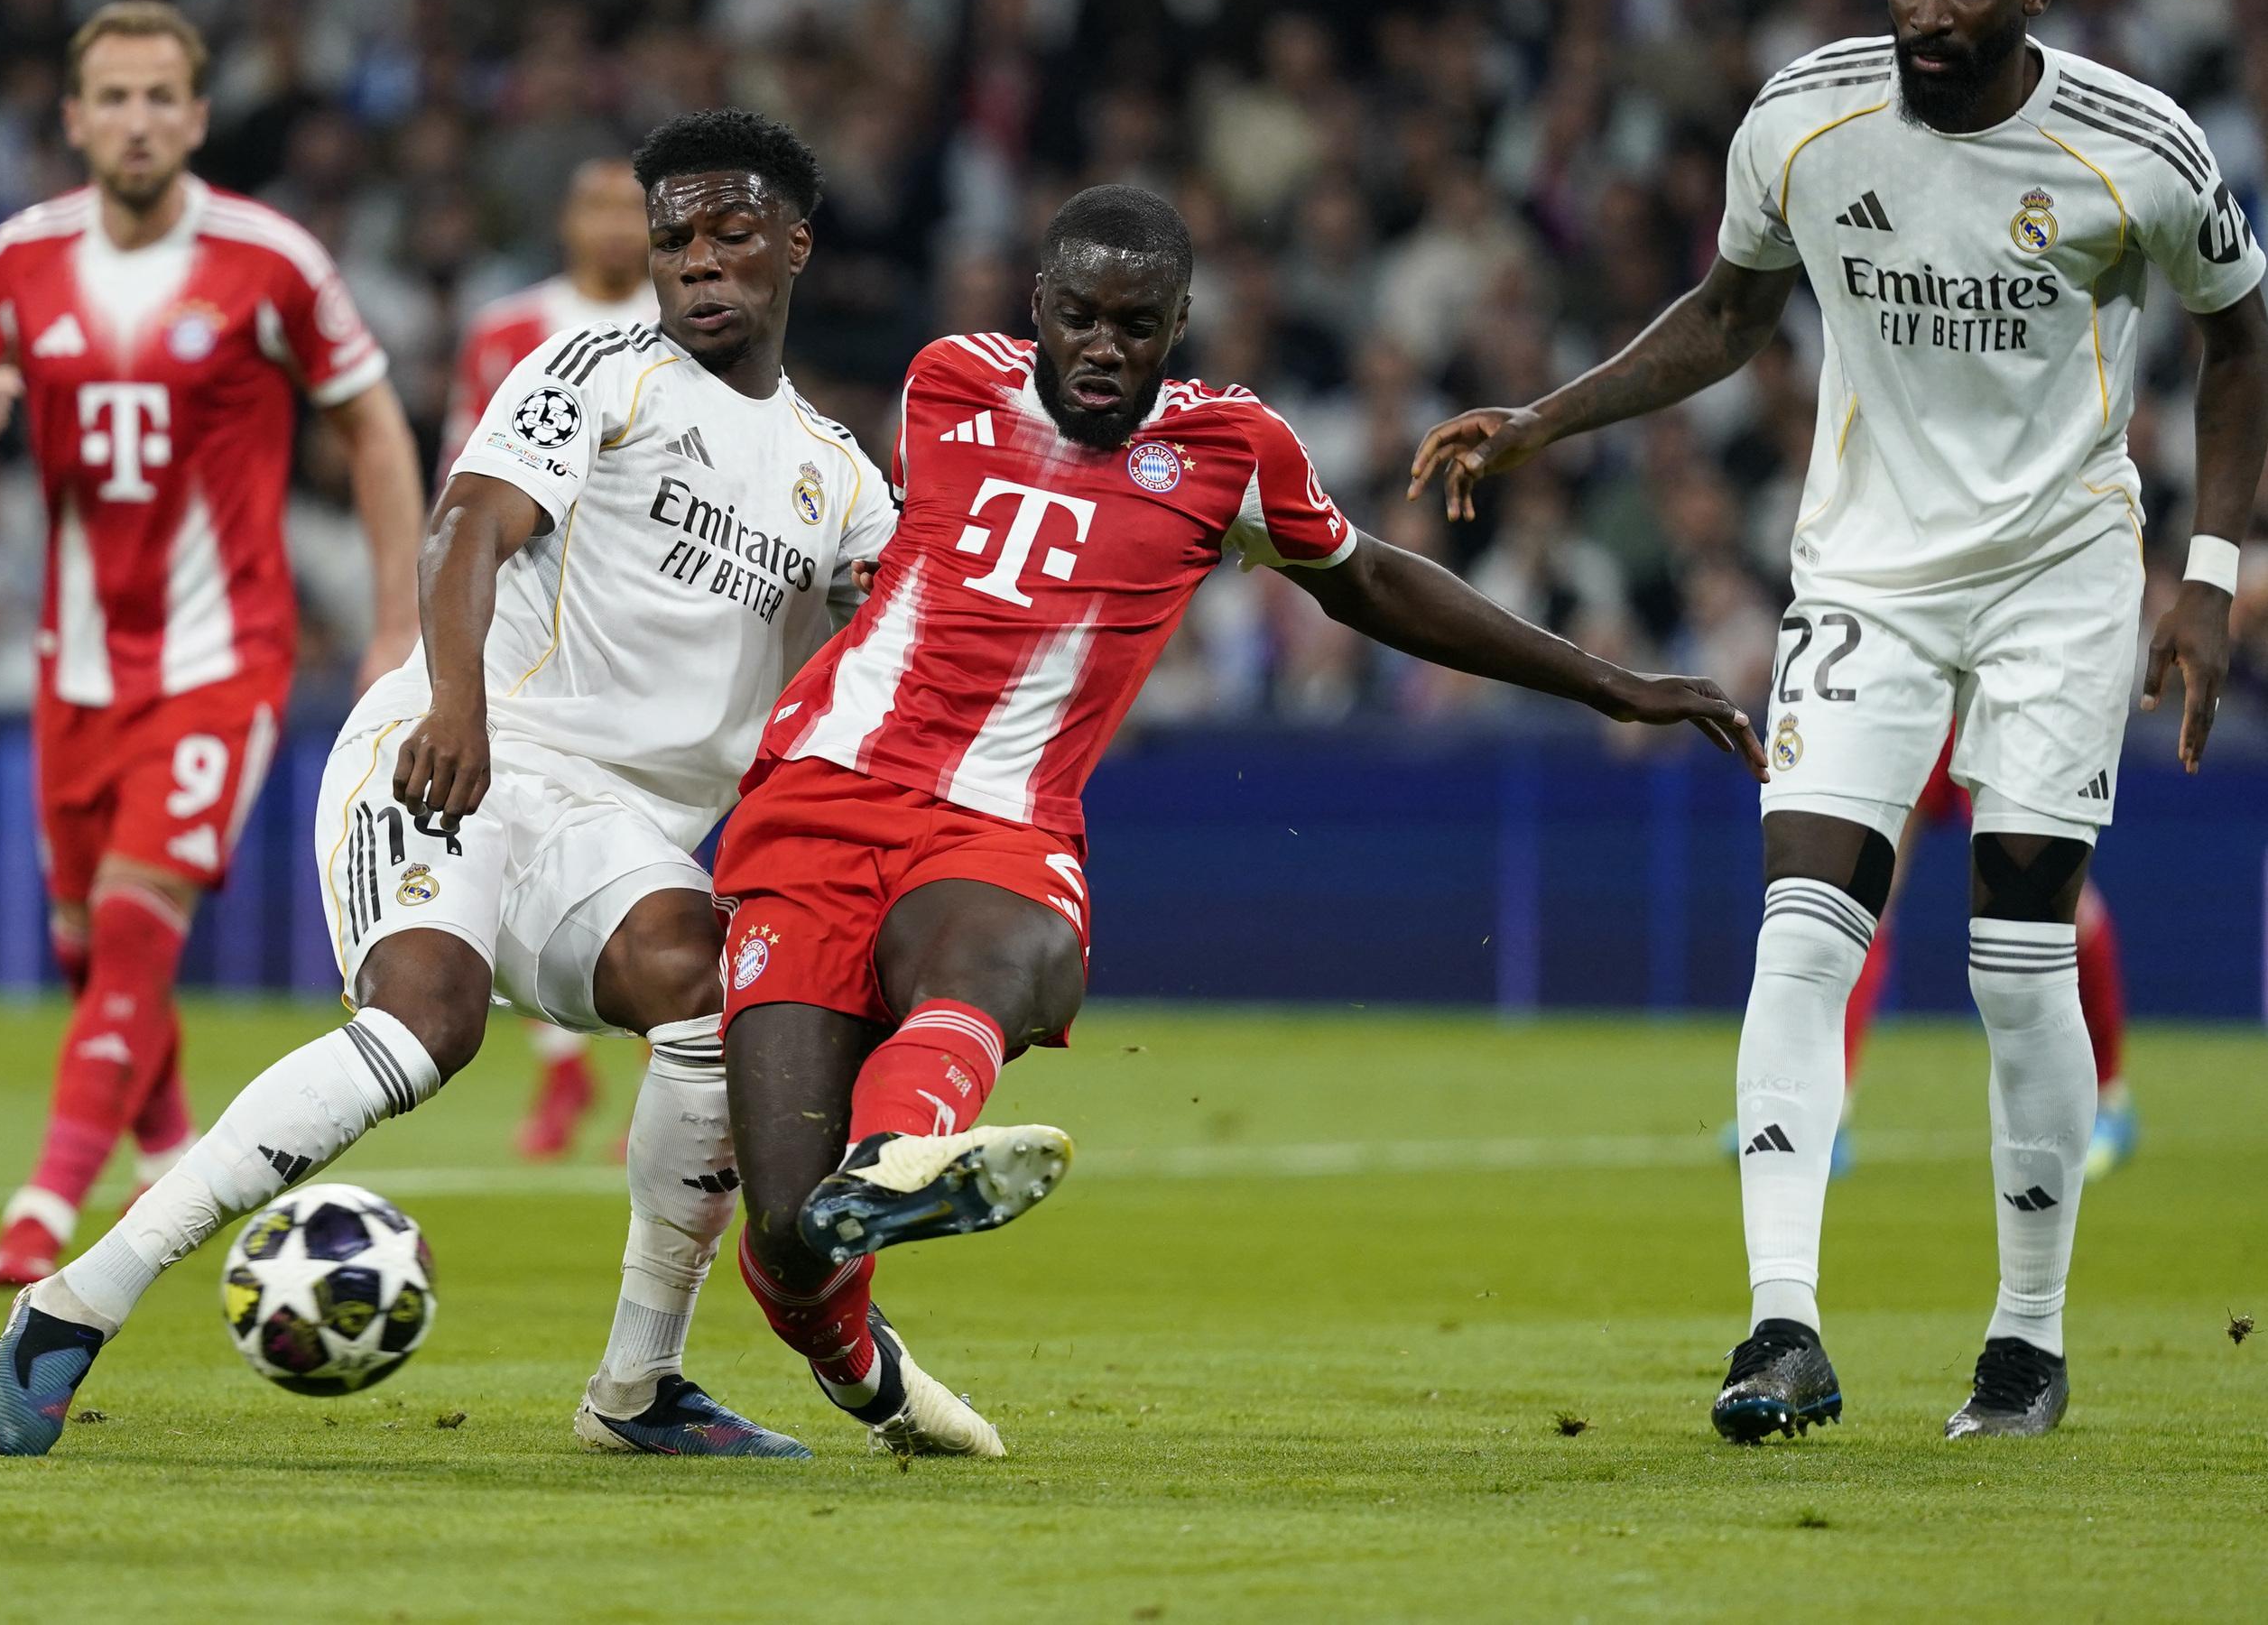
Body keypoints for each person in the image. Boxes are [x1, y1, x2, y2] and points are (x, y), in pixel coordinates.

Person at [1412, 0, 2266, 1444]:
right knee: (1803, 932)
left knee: (2016, 958)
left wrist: (2207, 573)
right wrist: (1545, 418)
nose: (1928, 13)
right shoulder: (1807, 117)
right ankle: (1783, 1326)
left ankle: (2026, 1341)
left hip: (2059, 579)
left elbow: (2240, 337)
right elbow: (1728, 313)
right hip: (1868, 570)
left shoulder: (2139, 145)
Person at [717, 183, 1765, 1457]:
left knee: (1013, 950)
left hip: (1002, 819)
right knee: (788, 1234)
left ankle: (898, 1154)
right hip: (825, 792)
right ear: (1037, 305)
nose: (1105, 348)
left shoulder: (1231, 448)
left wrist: (1610, 680)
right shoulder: (945, 380)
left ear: (1180, 325)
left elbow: (1371, 580)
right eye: (1081, 317)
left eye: (1138, 325)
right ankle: (869, 1360)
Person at [0, 109, 896, 1463]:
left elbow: (896, 638)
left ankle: (638, 1386)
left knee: (709, 988)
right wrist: (455, 700)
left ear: (796, 248)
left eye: (731, 234)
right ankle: (72, 1304)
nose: (698, 261)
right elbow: (468, 523)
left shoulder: (840, 479)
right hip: (459, 746)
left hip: (617, 833)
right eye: (675, 239)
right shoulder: (598, 369)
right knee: (425, 1028)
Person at [0, 2, 424, 1288]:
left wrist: (397, 624)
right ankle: (168, 1139)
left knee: (136, 928)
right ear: (76, 120)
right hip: (76, 663)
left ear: (196, 117)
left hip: (221, 654)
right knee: (89, 944)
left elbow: (371, 425)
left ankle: (44, 1204)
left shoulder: (270, 261)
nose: (137, 120)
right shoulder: (23, 257)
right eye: (114, 98)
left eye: (159, 97)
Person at [440, 158, 663, 1159]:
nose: (614, 225)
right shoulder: (506, 329)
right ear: (568, 221)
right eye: (597, 206)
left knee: (651, 835)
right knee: (504, 831)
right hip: (531, 620)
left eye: (630, 209)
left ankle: (667, 1060)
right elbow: (464, 483)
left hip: (645, 622)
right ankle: (562, 1064)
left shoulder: (686, 328)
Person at [1802, 731, 2136, 1179]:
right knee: (1868, 893)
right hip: (1923, 698)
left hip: (2004, 700)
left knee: (2052, 892)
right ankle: (1827, 1113)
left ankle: (2107, 1099)